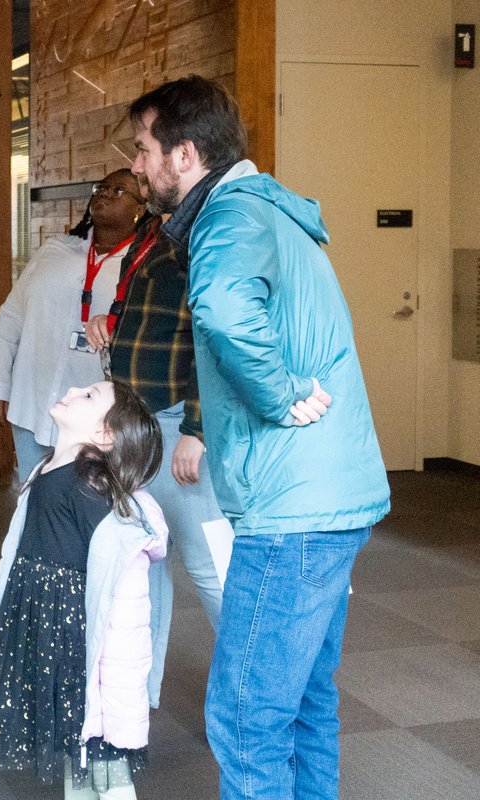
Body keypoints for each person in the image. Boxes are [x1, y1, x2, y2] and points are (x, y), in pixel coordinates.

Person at [127, 76, 390, 800]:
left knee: (247, 717)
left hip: (292, 510)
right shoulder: (263, 209)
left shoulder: (229, 215)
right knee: (304, 703)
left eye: (144, 149)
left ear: (184, 154)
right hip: (325, 499)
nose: (137, 165)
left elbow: (222, 310)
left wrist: (280, 394)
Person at [0, 381, 169, 800]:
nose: (76, 387)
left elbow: (121, 585)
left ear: (104, 435)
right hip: (47, 625)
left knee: (100, 755)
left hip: (73, 635)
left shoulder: (89, 487)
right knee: (72, 741)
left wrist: (119, 677)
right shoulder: (45, 470)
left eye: (90, 395)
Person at [85, 207, 228, 628]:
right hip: (136, 418)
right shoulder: (149, 230)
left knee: (207, 563)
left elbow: (213, 338)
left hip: (178, 418)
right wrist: (108, 322)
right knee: (144, 560)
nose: (138, 174)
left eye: (143, 169)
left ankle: (257, 670)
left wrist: (196, 429)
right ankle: (142, 675)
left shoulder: (204, 229)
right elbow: (144, 310)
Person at [0, 169, 147, 482]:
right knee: (31, 495)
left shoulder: (141, 263)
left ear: (140, 209)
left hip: (95, 422)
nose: (103, 194)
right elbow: (10, 318)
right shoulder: (54, 250)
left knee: (88, 500)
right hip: (32, 404)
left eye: (118, 191)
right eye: (101, 187)